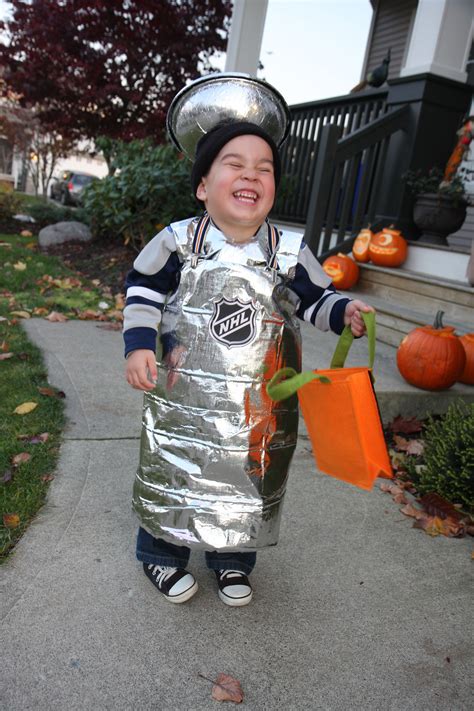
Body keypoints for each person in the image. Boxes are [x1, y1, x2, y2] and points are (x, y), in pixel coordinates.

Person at [123, 118, 373, 607]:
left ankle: (233, 559)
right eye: (233, 165)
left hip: (256, 404)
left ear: (274, 190)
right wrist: (138, 346)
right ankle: (162, 553)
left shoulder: (288, 252)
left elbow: (316, 301)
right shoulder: (179, 242)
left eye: (264, 169)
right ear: (202, 186)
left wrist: (344, 313)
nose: (250, 175)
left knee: (248, 477)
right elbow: (143, 290)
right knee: (177, 470)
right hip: (184, 399)